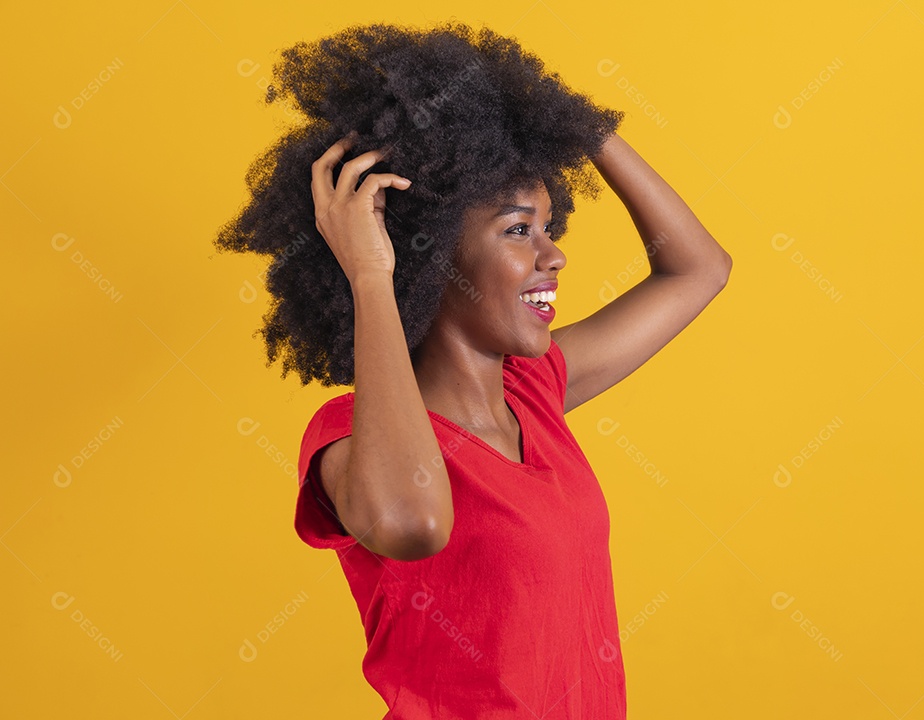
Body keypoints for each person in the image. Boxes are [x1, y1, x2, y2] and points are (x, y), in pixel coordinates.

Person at [215, 21, 731, 719]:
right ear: (431, 258)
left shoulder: (533, 392)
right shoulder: (347, 437)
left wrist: (569, 122)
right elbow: (411, 523)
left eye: (551, 227)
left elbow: (698, 268)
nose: (554, 257)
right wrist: (369, 271)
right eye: (519, 230)